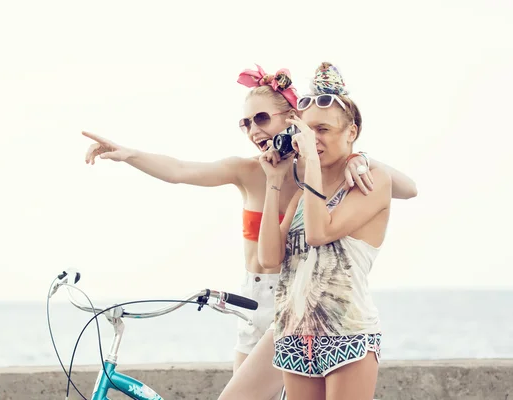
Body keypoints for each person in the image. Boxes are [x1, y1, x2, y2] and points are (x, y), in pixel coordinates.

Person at [82, 63, 416, 390]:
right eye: (245, 123)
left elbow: (405, 189)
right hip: (254, 303)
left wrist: (362, 157)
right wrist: (130, 154)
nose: (253, 130)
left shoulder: (315, 169)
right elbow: (180, 171)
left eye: (261, 118)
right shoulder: (251, 171)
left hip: (302, 306)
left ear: (293, 121)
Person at [256, 62, 390, 400]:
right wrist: (274, 183)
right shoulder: (305, 193)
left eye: (323, 130)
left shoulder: (372, 183)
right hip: (293, 333)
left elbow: (319, 233)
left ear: (351, 132)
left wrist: (311, 161)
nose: (312, 139)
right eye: (306, 130)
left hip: (347, 333)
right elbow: (269, 259)